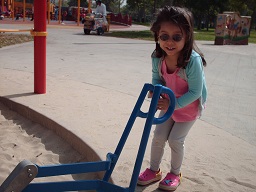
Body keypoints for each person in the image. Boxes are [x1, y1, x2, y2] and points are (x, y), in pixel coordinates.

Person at [137, 6, 207, 191]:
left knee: (176, 140)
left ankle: (175, 173)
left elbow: (195, 92)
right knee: (159, 136)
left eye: (177, 37)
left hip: (188, 106)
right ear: (157, 36)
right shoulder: (157, 57)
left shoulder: (192, 61)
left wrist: (171, 103)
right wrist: (155, 90)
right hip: (168, 104)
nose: (169, 42)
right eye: (164, 36)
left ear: (187, 37)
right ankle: (154, 170)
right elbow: (156, 78)